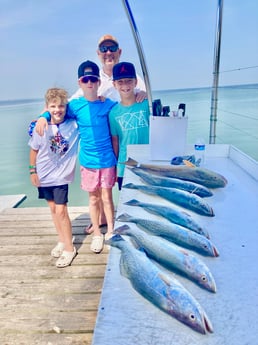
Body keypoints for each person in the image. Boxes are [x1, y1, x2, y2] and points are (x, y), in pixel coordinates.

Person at [35, 61, 117, 253]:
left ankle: (111, 230)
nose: (90, 83)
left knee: (107, 196)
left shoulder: (108, 104)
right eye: (85, 79)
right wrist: (42, 117)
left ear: (98, 82)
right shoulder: (74, 106)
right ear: (80, 82)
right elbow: (55, 110)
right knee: (94, 198)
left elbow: (124, 106)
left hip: (107, 160)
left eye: (93, 79)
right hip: (87, 160)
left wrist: (141, 95)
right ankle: (97, 233)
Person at [28, 88, 78, 268]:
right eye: (53, 106)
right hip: (43, 175)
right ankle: (63, 240)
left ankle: (69, 249)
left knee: (61, 211)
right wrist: (32, 171)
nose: (58, 109)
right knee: (52, 209)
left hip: (61, 176)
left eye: (61, 106)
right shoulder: (40, 127)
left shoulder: (74, 125)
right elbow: (33, 150)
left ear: (66, 107)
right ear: (47, 107)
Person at [109, 62, 150, 190]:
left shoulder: (147, 104)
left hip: (147, 163)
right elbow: (115, 142)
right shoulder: (113, 113)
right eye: (120, 82)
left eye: (129, 81)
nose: (125, 85)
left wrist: (147, 94)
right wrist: (115, 168)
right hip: (124, 165)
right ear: (114, 84)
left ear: (135, 82)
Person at [71, 34, 146, 102]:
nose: (108, 53)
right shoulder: (94, 80)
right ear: (98, 53)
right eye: (103, 49)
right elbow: (72, 101)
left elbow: (146, 94)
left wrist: (145, 94)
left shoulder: (131, 76)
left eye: (112, 48)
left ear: (119, 52)